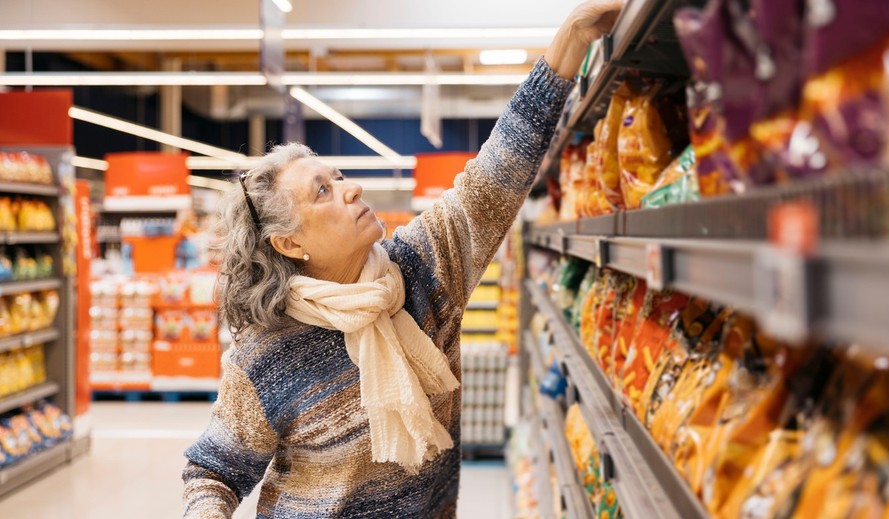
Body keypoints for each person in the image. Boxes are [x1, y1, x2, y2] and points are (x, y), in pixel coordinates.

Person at [182, 1, 625, 517]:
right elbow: (214, 472)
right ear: (290, 244)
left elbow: (496, 174)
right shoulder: (266, 355)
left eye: (339, 178)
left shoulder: (419, 270)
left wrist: (571, 38)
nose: (351, 189)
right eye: (323, 191)